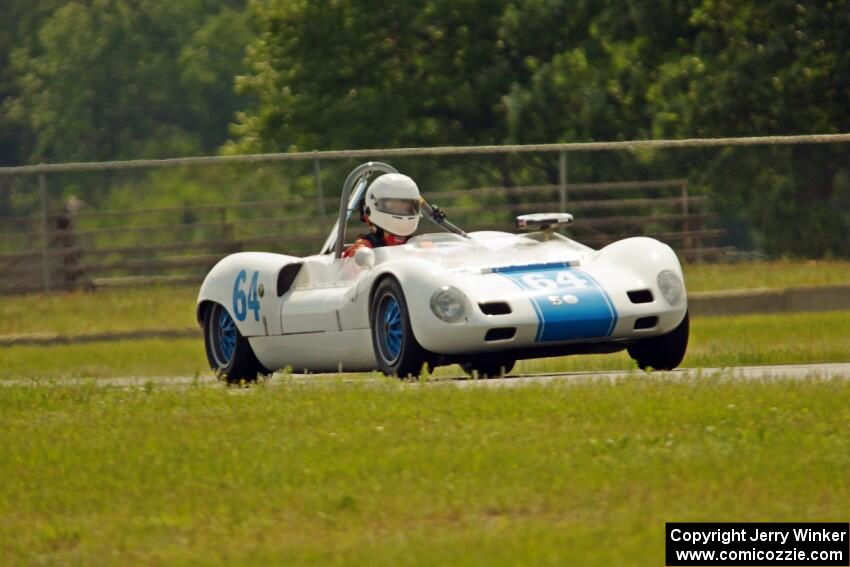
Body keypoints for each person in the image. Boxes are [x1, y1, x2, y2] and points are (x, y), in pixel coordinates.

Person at [343, 173, 421, 258]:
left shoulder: (422, 247)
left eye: (406, 208)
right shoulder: (361, 250)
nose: (401, 212)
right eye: (394, 207)